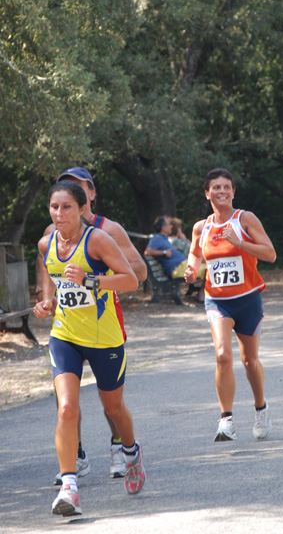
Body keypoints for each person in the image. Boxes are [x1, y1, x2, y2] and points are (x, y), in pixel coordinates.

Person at [34, 180, 145, 516]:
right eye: (54, 207)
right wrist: (47, 304)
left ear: (82, 208)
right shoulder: (46, 243)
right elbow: (53, 287)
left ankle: (131, 452)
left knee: (113, 409)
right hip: (65, 336)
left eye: (66, 207)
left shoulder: (97, 240)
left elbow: (131, 280)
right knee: (66, 407)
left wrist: (91, 280)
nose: (59, 213)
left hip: (104, 340)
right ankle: (70, 487)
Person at [184, 167, 277, 441]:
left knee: (249, 361)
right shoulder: (202, 227)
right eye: (216, 187)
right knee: (223, 355)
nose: (221, 191)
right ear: (207, 193)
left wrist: (240, 242)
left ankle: (260, 407)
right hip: (218, 301)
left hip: (247, 300)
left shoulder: (244, 219)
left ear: (233, 192)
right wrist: (192, 270)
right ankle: (226, 420)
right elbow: (194, 252)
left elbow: (270, 254)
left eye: (227, 187)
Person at [144, 216, 205, 280]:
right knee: (207, 270)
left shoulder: (164, 238)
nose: (171, 227)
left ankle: (202, 289)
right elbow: (147, 252)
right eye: (169, 225)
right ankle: (202, 290)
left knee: (208, 268)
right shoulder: (157, 238)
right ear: (163, 227)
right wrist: (164, 252)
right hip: (177, 268)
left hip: (183, 265)